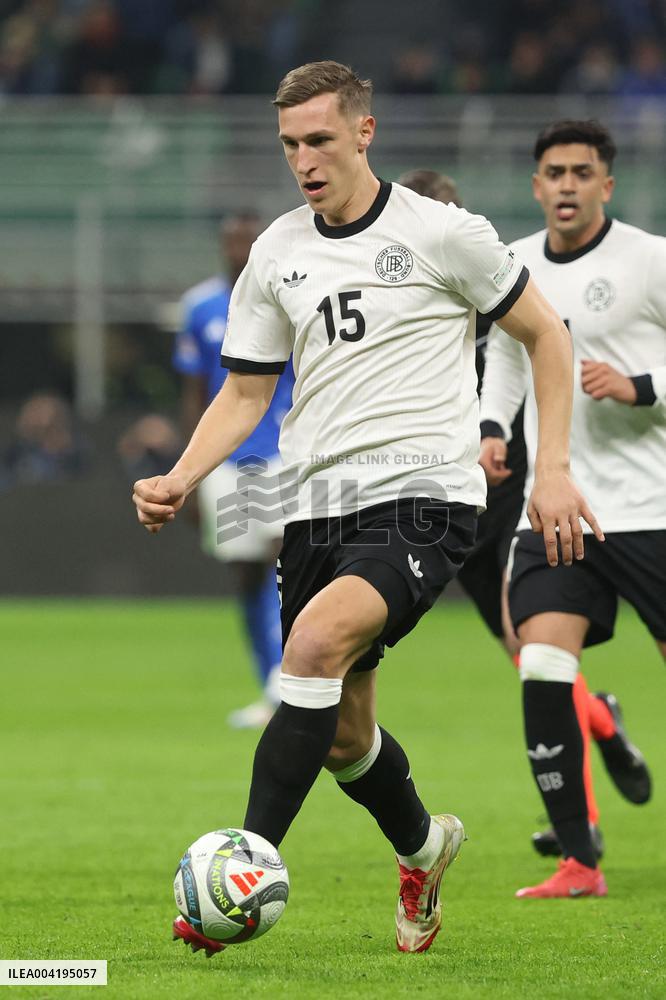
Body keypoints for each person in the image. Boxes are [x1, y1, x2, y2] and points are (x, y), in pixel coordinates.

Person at [133, 62, 601, 954]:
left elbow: (547, 332)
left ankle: (241, 868)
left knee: (308, 649)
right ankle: (425, 847)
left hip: (426, 495)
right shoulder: (277, 251)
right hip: (313, 504)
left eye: (318, 139)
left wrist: (554, 470)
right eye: (289, 145)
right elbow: (243, 393)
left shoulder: (444, 233)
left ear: (364, 132)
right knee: (345, 734)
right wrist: (181, 476)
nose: (304, 160)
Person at [398, 168, 650, 863]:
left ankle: (580, 829)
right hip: (443, 494)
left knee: (538, 650)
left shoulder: (495, 279)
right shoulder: (395, 294)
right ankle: (603, 726)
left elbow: (537, 355)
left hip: (506, 487)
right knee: (527, 658)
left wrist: (504, 438)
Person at [480, 119, 665, 899]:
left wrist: (639, 388)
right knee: (543, 664)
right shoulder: (515, 265)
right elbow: (505, 356)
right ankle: (581, 861)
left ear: (606, 185)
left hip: (652, 506)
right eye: (553, 172)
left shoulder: (651, 260)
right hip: (557, 507)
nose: (565, 185)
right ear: (535, 185)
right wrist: (492, 428)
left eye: (581, 172)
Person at [173, 213, 295, 728]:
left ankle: (286, 687)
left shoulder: (288, 292)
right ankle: (270, 680)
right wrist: (188, 471)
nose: (238, 247)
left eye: (247, 239)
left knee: (285, 561)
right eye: (231, 238)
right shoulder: (200, 307)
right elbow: (194, 392)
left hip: (288, 450)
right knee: (247, 575)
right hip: (227, 460)